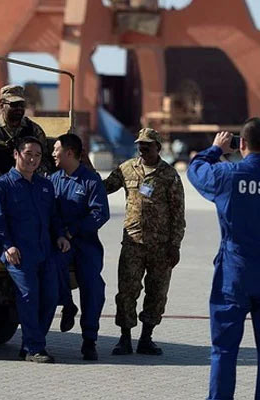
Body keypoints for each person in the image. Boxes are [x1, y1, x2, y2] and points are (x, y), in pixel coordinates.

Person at [186, 118, 260, 400]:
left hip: (235, 275)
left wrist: (215, 149)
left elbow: (195, 170)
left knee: (225, 350)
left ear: (241, 144)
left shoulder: (227, 175)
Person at [0, 136, 70, 363]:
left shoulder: (45, 185)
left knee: (51, 297)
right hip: (19, 255)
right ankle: (34, 348)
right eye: (28, 154)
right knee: (28, 296)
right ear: (16, 154)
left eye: (37, 155)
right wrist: (7, 246)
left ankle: (31, 343)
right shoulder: (2, 186)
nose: (32, 159)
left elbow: (53, 216)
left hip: (45, 252)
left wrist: (61, 236)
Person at [103, 128, 185, 356]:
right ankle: (125, 338)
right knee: (127, 291)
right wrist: (84, 174)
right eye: (140, 144)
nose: (142, 148)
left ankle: (146, 338)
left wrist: (175, 245)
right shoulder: (127, 168)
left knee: (157, 293)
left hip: (161, 246)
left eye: (147, 145)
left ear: (158, 147)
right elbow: (104, 188)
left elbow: (178, 213)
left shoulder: (169, 175)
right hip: (133, 243)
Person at [50, 133, 110, 360]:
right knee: (53, 269)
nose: (53, 154)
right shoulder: (53, 180)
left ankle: (89, 339)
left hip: (85, 243)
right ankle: (67, 305)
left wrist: (72, 231)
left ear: (69, 152)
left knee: (93, 286)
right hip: (60, 241)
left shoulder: (90, 181)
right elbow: (50, 212)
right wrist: (60, 235)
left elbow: (100, 213)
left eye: (56, 149)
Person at [0, 85, 54, 183]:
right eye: (14, 105)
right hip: (0, 181)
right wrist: (7, 181)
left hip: (29, 178)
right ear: (1, 105)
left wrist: (30, 177)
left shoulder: (34, 130)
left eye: (22, 105)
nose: (19, 108)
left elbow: (43, 161)